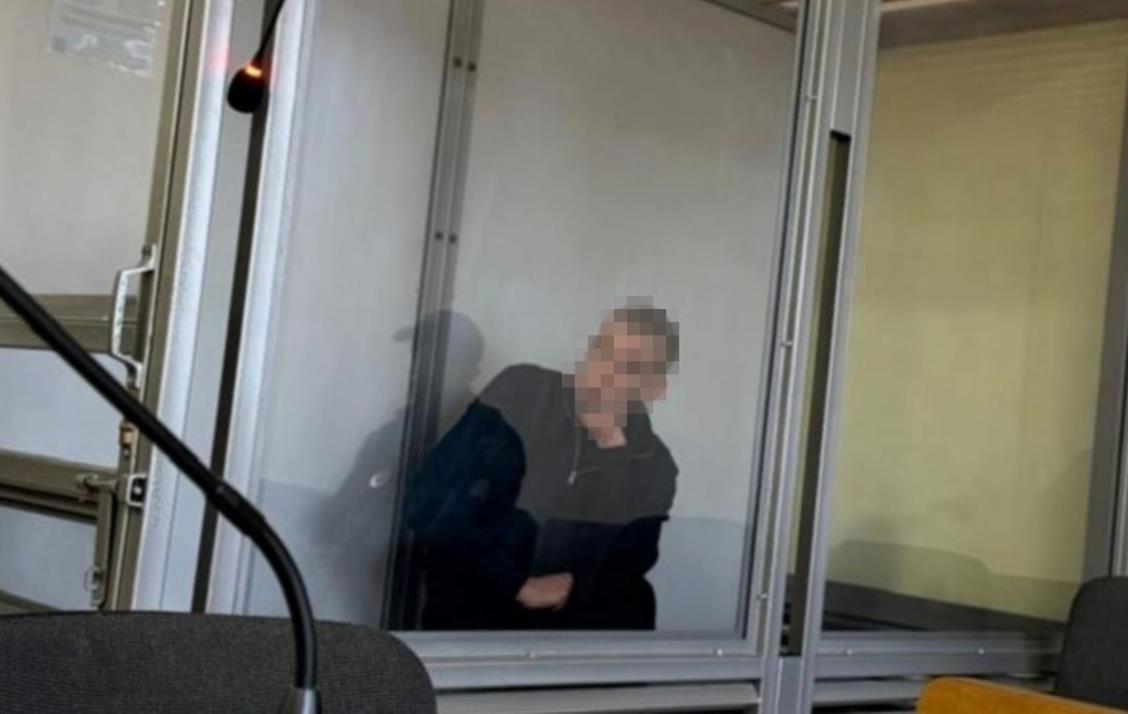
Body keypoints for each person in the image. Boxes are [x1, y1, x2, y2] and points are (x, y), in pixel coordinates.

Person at [405, 303, 679, 630]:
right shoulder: (522, 395)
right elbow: (430, 503)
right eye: (603, 349)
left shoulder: (654, 465)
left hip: (573, 642)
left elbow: (621, 571)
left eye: (629, 366)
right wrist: (517, 583)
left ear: (655, 388)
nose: (606, 369)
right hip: (475, 627)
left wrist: (612, 450)